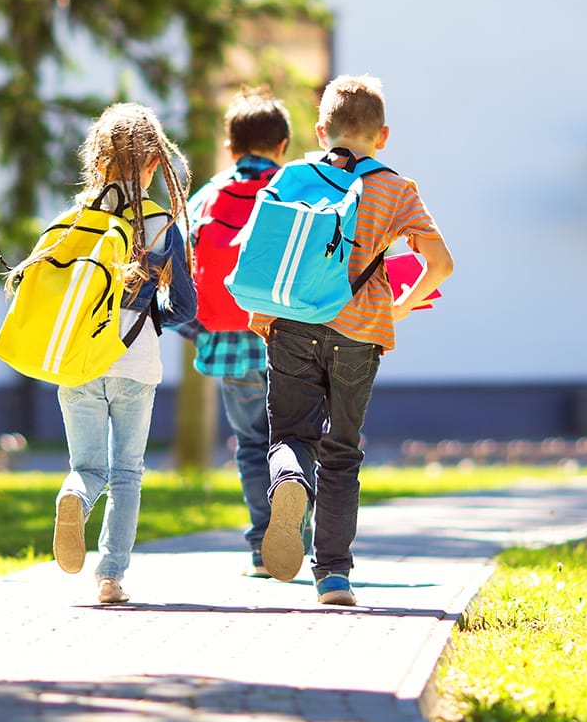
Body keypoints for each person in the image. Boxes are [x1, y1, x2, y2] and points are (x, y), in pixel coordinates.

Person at [249, 75, 453, 605]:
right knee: (341, 452)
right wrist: (401, 306)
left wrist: (263, 316)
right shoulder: (397, 188)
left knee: (290, 436)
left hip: (291, 325)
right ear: (382, 136)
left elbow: (263, 251)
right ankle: (334, 577)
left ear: (321, 131)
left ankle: (289, 481)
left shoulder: (291, 176)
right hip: (360, 334)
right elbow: (441, 264)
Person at [12, 102, 196, 604]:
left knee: (87, 468)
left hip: (76, 361)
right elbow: (185, 304)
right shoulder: (160, 225)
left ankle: (73, 496)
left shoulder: (70, 223)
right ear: (156, 164)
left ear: (95, 163)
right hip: (136, 361)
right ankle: (111, 577)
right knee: (127, 474)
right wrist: (151, 316)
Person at [181, 88, 312, 577]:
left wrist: (200, 330)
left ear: (230, 147)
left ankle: (263, 548)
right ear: (282, 146)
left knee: (252, 443)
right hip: (293, 339)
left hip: (230, 343)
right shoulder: (301, 189)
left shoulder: (207, 197)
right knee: (297, 438)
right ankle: (301, 540)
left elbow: (182, 272)